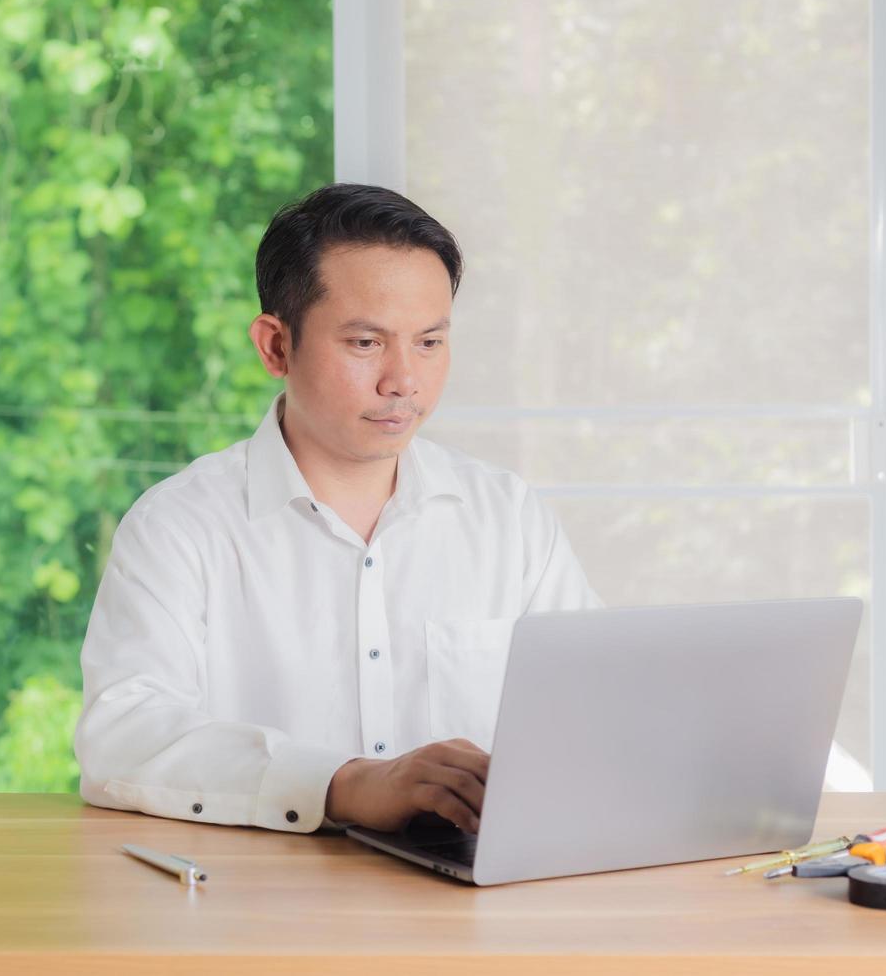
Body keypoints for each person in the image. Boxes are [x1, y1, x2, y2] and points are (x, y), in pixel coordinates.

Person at [73, 183, 600, 836]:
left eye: (430, 342)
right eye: (365, 344)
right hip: (262, 906)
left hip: (474, 907)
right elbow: (123, 737)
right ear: (275, 346)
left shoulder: (508, 519)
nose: (403, 380)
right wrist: (341, 784)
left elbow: (594, 715)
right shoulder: (181, 526)